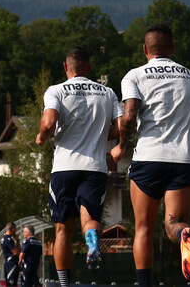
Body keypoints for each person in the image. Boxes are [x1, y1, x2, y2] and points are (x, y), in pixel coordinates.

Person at [116, 24, 190, 286]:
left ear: (145, 49)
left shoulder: (135, 75)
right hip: (183, 160)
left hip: (148, 159)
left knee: (143, 228)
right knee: (173, 224)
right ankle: (184, 232)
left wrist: (122, 143)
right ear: (173, 49)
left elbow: (129, 116)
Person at [36, 47, 124, 287]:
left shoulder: (56, 90)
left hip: (64, 168)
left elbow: (49, 122)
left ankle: (64, 284)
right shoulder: (107, 92)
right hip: (94, 168)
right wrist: (104, 135)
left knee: (62, 230)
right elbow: (122, 125)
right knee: (90, 220)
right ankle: (91, 238)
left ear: (66, 67)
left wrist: (42, 136)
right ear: (89, 67)